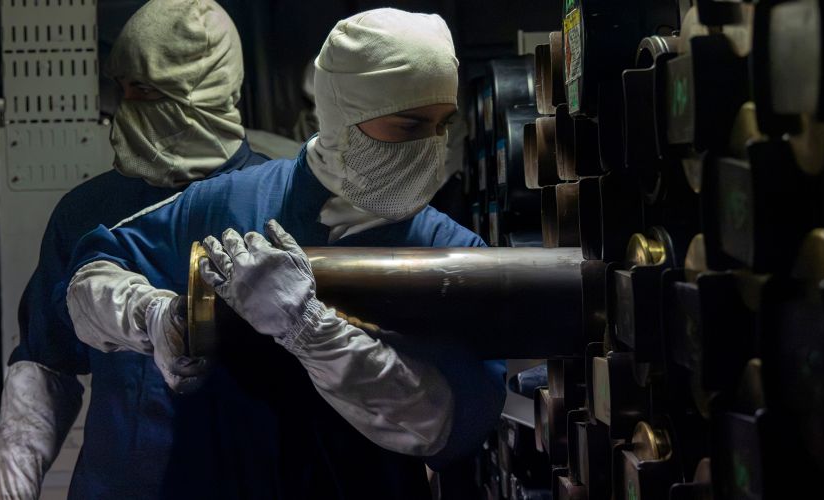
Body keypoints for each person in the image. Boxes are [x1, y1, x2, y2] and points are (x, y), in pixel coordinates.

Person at [62, 8, 506, 499]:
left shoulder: (451, 254)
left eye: (443, 123)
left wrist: (310, 329)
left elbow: (448, 427)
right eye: (408, 126)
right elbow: (90, 279)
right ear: (343, 117)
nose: (431, 146)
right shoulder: (228, 204)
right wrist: (155, 317)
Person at [0, 0, 269, 497]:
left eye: (144, 90)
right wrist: (16, 483)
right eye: (121, 90)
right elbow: (46, 361)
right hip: (119, 481)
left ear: (205, 89)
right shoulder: (90, 209)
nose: (127, 108)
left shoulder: (277, 200)